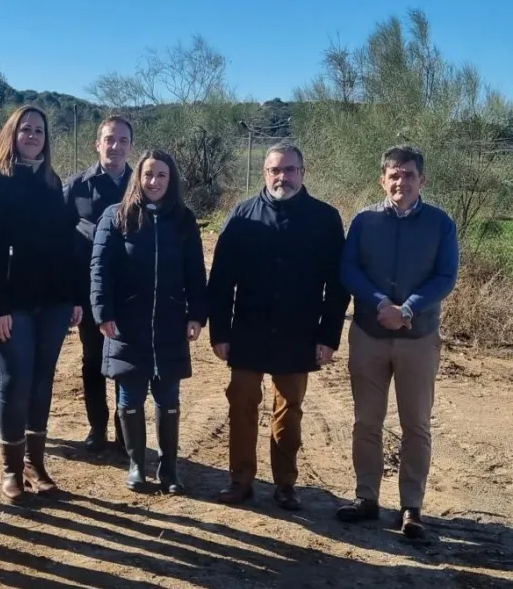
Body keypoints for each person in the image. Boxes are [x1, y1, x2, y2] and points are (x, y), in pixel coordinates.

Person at [207, 143, 350, 510]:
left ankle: (285, 485)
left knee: (289, 409)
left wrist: (328, 335)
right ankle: (240, 481)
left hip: (298, 331)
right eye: (275, 170)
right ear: (264, 173)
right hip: (248, 330)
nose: (281, 177)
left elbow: (338, 285)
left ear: (303, 172)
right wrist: (220, 332)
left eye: (289, 169)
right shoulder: (242, 216)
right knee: (241, 403)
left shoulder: (325, 218)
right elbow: (221, 280)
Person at [336, 145, 459, 540]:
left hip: (418, 337)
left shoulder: (441, 224)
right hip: (369, 335)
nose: (400, 181)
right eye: (393, 174)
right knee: (366, 421)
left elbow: (446, 277)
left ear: (422, 179)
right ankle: (366, 498)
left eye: (408, 174)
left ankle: (411, 507)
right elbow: (348, 268)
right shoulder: (364, 220)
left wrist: (407, 309)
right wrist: (378, 304)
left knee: (416, 425)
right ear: (382, 179)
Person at [0, 105, 86, 503]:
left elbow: (65, 247)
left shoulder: (53, 184)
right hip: (8, 305)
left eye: (39, 130)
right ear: (11, 134)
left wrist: (72, 296)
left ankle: (37, 466)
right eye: (26, 129)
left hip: (52, 302)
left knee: (41, 381)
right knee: (15, 381)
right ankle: (11, 470)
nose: (33, 135)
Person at [90, 149, 207, 494]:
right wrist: (103, 312)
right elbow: (100, 269)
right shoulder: (116, 216)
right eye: (148, 175)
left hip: (171, 323)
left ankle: (169, 468)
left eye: (161, 176)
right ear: (137, 178)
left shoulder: (184, 220)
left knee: (168, 397)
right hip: (127, 323)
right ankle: (137, 465)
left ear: (171, 181)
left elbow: (195, 274)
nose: (154, 182)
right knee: (130, 395)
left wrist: (197, 314)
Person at [63, 115, 134, 453]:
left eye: (122, 140)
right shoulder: (77, 186)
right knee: (93, 359)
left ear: (130, 146)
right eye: (109, 139)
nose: (116, 146)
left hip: (130, 293)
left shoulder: (142, 183)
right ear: (98, 143)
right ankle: (98, 428)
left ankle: (126, 431)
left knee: (128, 362)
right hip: (88, 292)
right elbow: (59, 237)